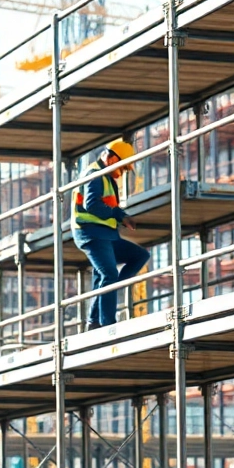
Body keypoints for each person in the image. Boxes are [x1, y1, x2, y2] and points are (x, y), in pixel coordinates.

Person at [72, 139, 151, 329]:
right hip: (92, 233)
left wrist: (124, 216)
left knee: (139, 256)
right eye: (122, 168)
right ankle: (106, 323)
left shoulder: (106, 178)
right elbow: (93, 205)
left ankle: (95, 318)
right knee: (108, 274)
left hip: (107, 235)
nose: (122, 172)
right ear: (112, 159)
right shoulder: (95, 175)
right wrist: (119, 215)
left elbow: (111, 207)